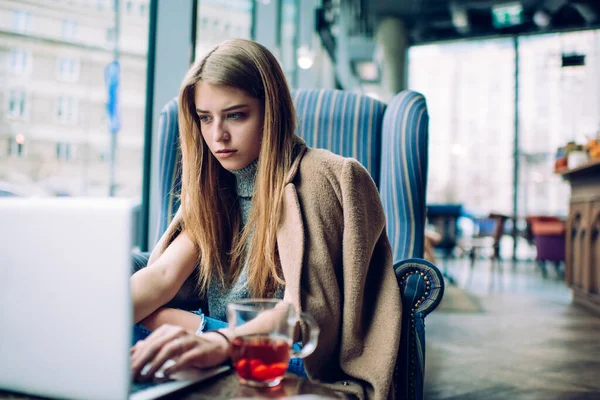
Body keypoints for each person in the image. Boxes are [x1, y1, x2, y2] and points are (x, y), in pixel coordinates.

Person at [129, 38, 402, 400]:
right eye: (205, 118)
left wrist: (220, 341)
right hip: (217, 340)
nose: (217, 136)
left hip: (290, 352)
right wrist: (87, 312)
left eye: (236, 115)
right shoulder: (215, 184)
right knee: (126, 324)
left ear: (271, 110)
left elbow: (301, 314)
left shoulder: (326, 178)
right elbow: (163, 275)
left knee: (151, 328)